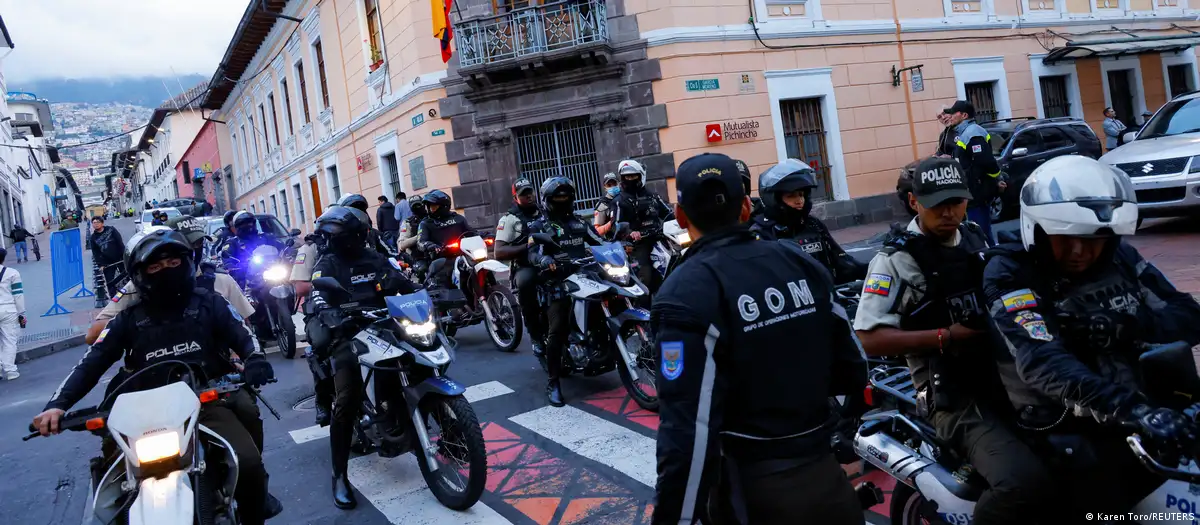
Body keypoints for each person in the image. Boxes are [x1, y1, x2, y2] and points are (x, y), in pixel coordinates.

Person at [652, 153, 867, 524]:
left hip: (752, 492)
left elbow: (687, 430)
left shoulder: (683, 292)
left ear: (681, 215)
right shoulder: (801, 264)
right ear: (747, 206)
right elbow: (853, 368)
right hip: (826, 477)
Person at [983, 156, 1200, 516]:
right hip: (1064, 423)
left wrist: (1123, 327)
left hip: (1144, 408)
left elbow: (1188, 315)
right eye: (1065, 238)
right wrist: (1135, 410)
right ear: (1036, 228)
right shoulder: (1010, 272)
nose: (1080, 252)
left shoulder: (1120, 258)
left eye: (1093, 239)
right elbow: (1042, 361)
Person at [853, 156, 1053, 524]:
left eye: (956, 202)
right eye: (937, 204)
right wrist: (946, 337)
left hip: (1008, 379)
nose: (949, 213)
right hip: (954, 399)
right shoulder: (896, 259)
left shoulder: (974, 236)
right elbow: (868, 338)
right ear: (915, 202)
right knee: (1020, 482)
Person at [31, 228, 278, 525]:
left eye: (173, 263)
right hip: (142, 416)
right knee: (111, 476)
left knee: (248, 462)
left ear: (187, 263)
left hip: (206, 403)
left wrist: (254, 359)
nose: (166, 271)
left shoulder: (209, 302)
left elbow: (243, 333)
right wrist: (58, 404)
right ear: (139, 273)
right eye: (155, 266)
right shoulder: (126, 319)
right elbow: (91, 362)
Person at [304, 206, 419, 509]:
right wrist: (332, 315)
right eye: (357, 233)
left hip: (381, 325)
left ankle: (405, 422)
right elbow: (318, 294)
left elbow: (397, 278)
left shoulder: (373, 256)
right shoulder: (327, 263)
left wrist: (420, 291)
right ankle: (339, 475)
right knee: (348, 396)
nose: (362, 237)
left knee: (415, 361)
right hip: (348, 330)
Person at [87, 219, 255, 346]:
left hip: (217, 370)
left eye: (199, 243)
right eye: (190, 243)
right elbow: (93, 335)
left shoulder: (220, 281)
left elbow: (245, 327)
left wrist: (242, 357)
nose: (196, 248)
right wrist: (129, 322)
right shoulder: (139, 286)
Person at [526, 177, 606, 407]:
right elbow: (533, 252)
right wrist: (544, 259)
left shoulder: (580, 223)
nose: (563, 201)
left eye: (566, 197)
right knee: (558, 327)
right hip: (556, 281)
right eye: (558, 198)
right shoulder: (539, 226)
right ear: (548, 200)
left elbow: (599, 241)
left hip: (585, 276)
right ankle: (553, 381)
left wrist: (619, 246)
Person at [750, 159, 866, 284]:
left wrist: (872, 270)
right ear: (774, 199)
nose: (799, 200)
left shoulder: (813, 225)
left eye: (801, 194)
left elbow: (841, 262)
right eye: (791, 196)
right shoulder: (762, 233)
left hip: (828, 297)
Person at [494, 179, 547, 356]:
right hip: (526, 265)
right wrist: (527, 246)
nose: (529, 196)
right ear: (516, 197)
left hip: (551, 261)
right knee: (525, 284)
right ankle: (536, 337)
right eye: (523, 194)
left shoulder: (545, 211)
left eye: (530, 191)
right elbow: (499, 251)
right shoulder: (509, 219)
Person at [944, 100, 1003, 242]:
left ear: (964, 115)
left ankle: (990, 260)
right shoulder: (966, 133)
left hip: (977, 193)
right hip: (972, 192)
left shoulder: (973, 133)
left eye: (953, 113)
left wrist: (997, 179)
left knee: (980, 234)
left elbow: (986, 161)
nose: (950, 116)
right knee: (978, 232)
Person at [612, 159, 674, 294]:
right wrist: (630, 232)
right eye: (626, 177)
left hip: (661, 239)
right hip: (639, 245)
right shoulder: (619, 201)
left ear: (641, 175)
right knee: (645, 277)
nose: (630, 179)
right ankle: (646, 307)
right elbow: (615, 225)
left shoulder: (653, 196)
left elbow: (669, 214)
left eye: (633, 176)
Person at [417, 190, 474, 287]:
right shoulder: (426, 223)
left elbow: (471, 232)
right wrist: (430, 245)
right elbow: (420, 242)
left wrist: (484, 235)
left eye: (433, 206)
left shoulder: (458, 218)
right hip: (442, 259)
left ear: (444, 206)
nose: (430, 209)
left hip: (464, 256)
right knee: (444, 284)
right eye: (429, 206)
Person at [0, 247, 26, 380]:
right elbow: (18, 294)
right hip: (8, 309)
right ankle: (10, 371)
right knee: (9, 340)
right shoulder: (12, 273)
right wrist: (21, 312)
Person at [88, 216, 126, 298]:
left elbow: (120, 242)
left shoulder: (111, 230)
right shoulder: (93, 238)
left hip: (119, 258)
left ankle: (126, 294)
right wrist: (100, 264)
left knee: (125, 277)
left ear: (102, 223)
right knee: (110, 282)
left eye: (98, 222)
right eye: (94, 223)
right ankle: (115, 298)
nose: (96, 224)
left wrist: (124, 255)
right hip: (107, 262)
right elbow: (96, 252)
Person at [593, 173, 620, 239]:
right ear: (605, 187)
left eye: (614, 184)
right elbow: (597, 231)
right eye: (609, 185)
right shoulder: (602, 205)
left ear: (619, 184)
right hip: (615, 242)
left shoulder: (625, 198)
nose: (612, 187)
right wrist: (611, 224)